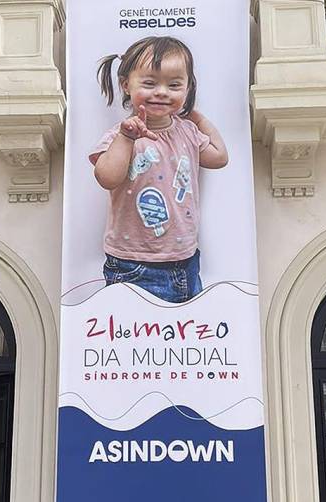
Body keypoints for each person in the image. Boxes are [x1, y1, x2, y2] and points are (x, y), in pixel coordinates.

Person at [89, 36, 228, 303]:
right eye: (150, 83)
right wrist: (127, 138)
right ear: (126, 85)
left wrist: (200, 119)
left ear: (188, 88)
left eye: (174, 84)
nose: (162, 91)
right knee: (135, 339)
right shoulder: (121, 135)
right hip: (132, 264)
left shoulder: (188, 131)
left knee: (180, 338)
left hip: (185, 260)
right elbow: (106, 177)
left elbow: (219, 157)